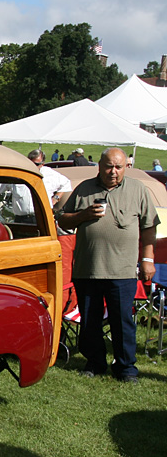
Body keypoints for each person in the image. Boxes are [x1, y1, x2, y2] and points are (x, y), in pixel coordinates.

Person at [57, 147, 159, 382]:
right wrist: (83, 215)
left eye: (118, 167)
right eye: (108, 166)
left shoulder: (138, 189)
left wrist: (147, 259)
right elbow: (63, 219)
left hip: (122, 270)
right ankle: (95, 363)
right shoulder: (84, 189)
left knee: (121, 320)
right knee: (90, 320)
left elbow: (149, 226)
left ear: (126, 167)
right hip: (88, 268)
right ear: (99, 166)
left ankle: (126, 368)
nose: (113, 172)